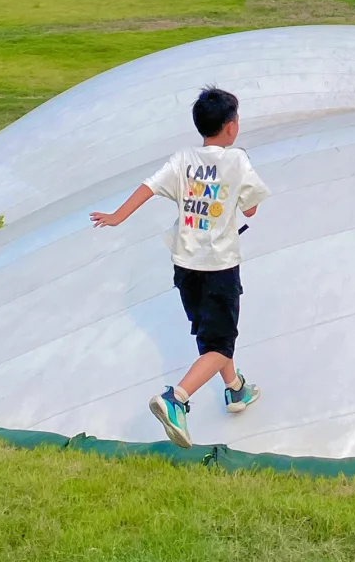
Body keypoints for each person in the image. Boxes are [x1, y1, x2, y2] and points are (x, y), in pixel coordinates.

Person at [90, 85, 269, 447]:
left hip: (185, 266)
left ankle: (235, 390)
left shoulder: (183, 159)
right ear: (231, 127)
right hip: (219, 266)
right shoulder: (238, 161)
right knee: (220, 342)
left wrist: (116, 217)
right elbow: (250, 208)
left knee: (211, 335)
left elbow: (149, 187)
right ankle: (177, 399)